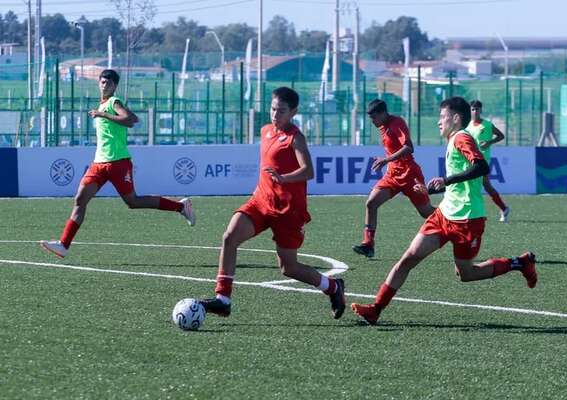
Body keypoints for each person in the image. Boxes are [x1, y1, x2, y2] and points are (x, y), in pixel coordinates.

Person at [351, 96, 537, 325]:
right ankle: (375, 309)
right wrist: (432, 188)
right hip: (444, 215)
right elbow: (458, 184)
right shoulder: (453, 140)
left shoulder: (461, 138)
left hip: (467, 219)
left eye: (442, 117)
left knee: (466, 274)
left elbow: (481, 166)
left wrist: (446, 180)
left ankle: (519, 263)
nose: (439, 122)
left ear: (456, 118)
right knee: (408, 259)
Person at [198, 87, 346, 319]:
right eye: (273, 109)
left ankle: (334, 287)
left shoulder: (296, 138)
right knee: (229, 237)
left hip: (288, 211)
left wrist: (283, 178)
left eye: (282, 111)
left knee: (289, 268)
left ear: (294, 112)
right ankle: (223, 299)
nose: (275, 115)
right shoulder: (266, 130)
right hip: (261, 202)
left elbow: (309, 171)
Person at [40, 69, 195, 258]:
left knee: (133, 202)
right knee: (80, 199)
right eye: (102, 82)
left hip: (118, 162)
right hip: (99, 163)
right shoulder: (102, 104)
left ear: (114, 86)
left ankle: (181, 207)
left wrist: (103, 115)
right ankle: (63, 245)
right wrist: (101, 113)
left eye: (108, 83)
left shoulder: (113, 102)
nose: (104, 85)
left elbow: (132, 119)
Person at [352, 99, 435, 259]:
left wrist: (386, 160)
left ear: (383, 113)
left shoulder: (397, 123)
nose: (373, 122)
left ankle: (456, 221)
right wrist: (388, 160)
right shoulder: (383, 126)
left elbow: (409, 147)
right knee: (371, 203)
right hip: (393, 175)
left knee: (426, 212)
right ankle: (368, 244)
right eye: (371, 119)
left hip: (410, 175)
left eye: (374, 118)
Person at [467, 100, 510, 222]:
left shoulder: (487, 125)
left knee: (474, 186)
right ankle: (503, 208)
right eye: (473, 109)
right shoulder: (468, 126)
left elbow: (501, 136)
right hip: (470, 160)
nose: (475, 112)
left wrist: (489, 142)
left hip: (482, 161)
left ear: (481, 110)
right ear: (470, 111)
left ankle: (474, 214)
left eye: (477, 109)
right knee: (486, 186)